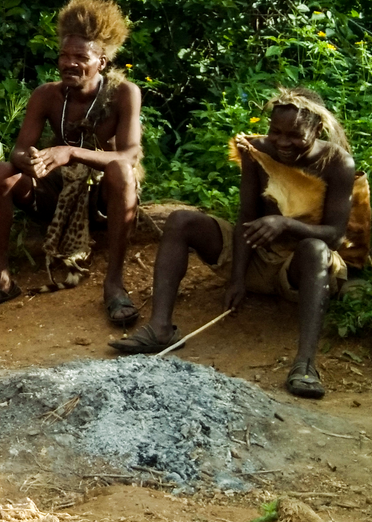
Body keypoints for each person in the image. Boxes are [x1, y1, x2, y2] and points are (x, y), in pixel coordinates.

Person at [110, 89, 369, 399]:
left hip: (300, 268)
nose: (282, 142)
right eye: (276, 132)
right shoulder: (257, 151)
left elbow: (336, 236)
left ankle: (305, 364)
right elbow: (246, 215)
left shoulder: (337, 163)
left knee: (314, 248)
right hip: (257, 255)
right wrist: (237, 279)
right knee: (181, 221)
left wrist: (285, 223)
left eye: (294, 135)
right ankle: (161, 327)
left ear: (317, 130)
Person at [0, 0, 143, 324]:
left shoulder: (123, 94)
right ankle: (1, 279)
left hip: (99, 197)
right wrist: (29, 160)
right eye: (64, 55)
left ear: (101, 61)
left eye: (80, 57)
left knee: (121, 171)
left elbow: (129, 155)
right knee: (2, 171)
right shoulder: (47, 95)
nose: (69, 63)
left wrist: (69, 152)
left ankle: (114, 284)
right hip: (56, 195)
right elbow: (17, 151)